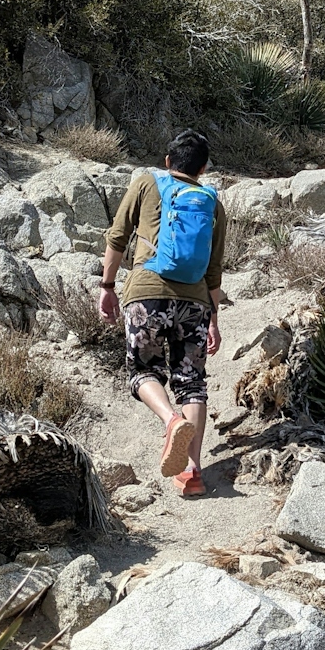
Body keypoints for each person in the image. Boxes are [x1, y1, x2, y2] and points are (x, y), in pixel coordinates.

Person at [97, 129, 225, 496]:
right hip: (196, 302)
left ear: (168, 161)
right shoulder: (213, 204)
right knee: (192, 382)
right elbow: (214, 270)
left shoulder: (146, 182)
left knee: (143, 371)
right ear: (203, 168)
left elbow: (118, 237)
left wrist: (107, 288)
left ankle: (171, 420)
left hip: (146, 294)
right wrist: (213, 319)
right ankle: (193, 473)